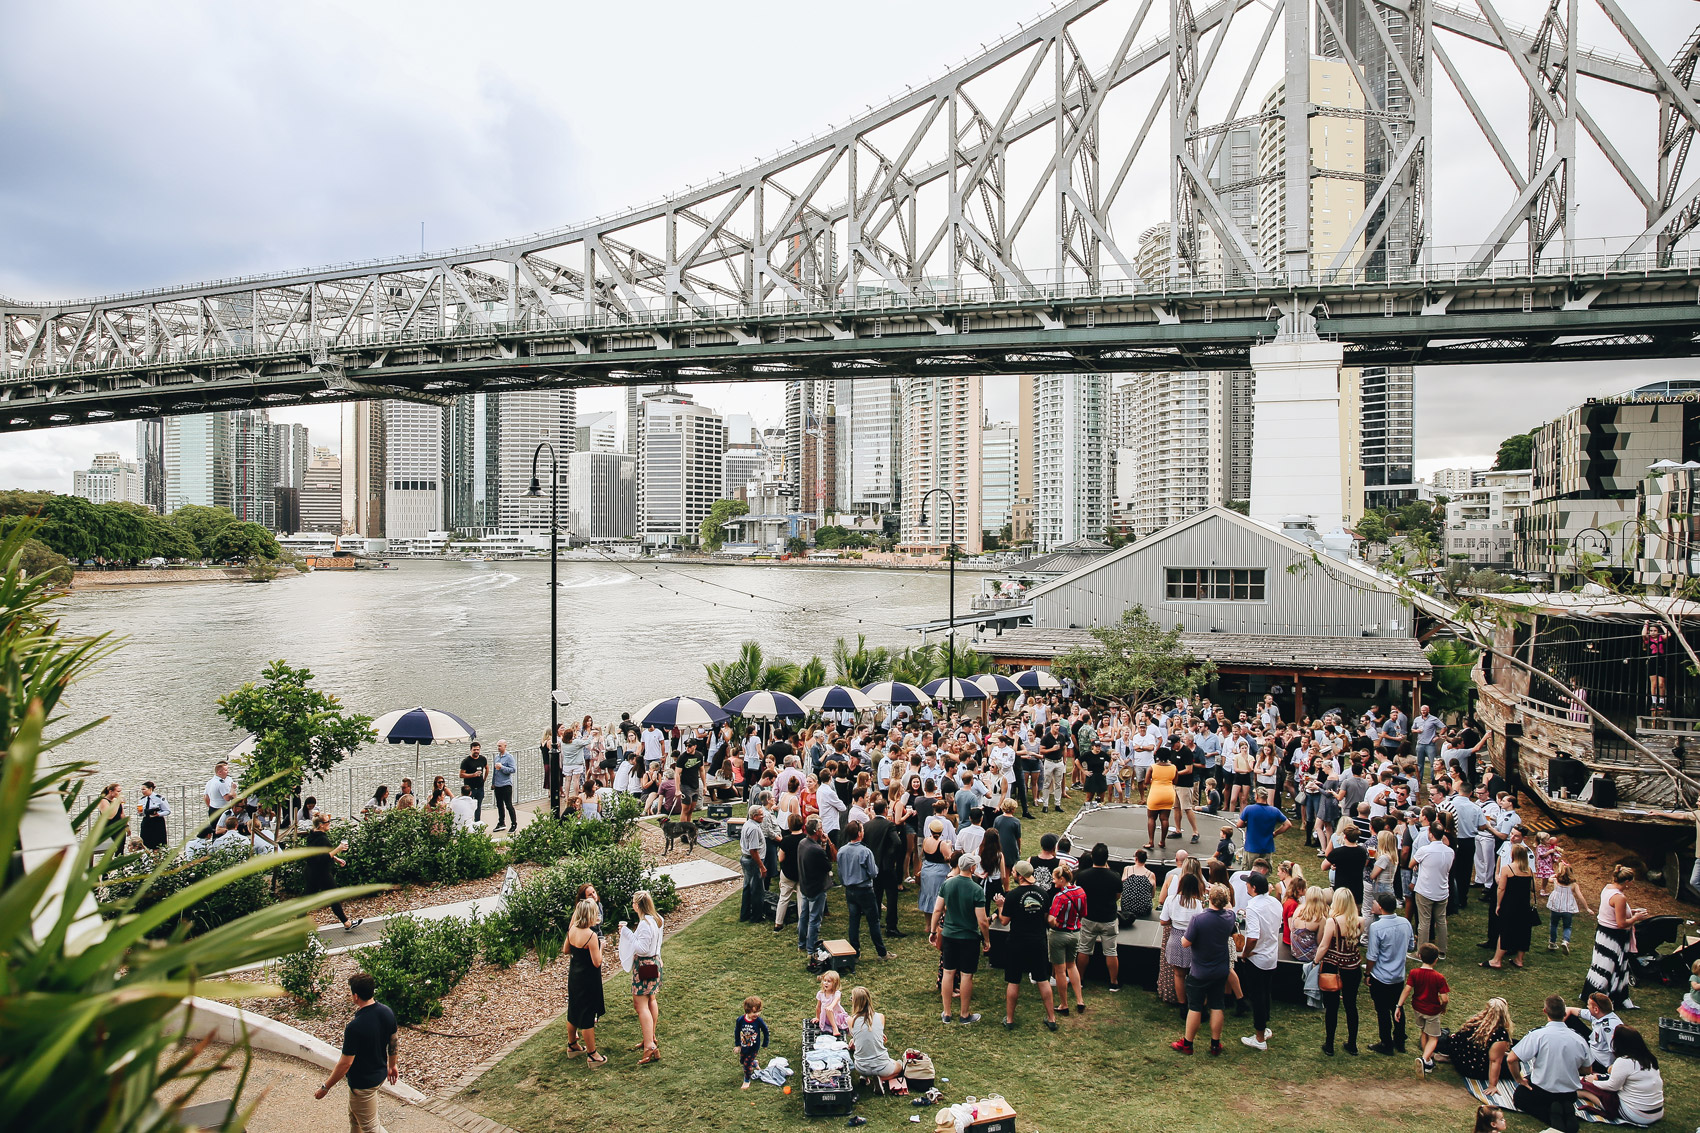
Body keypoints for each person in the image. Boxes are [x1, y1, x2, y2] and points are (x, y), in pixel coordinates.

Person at [313, 973, 397, 1133]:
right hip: (378, 1075)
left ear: (356, 996)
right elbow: (393, 1041)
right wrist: (393, 1065)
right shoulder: (387, 1012)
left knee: (371, 1127)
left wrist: (326, 1087)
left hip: (363, 1085)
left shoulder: (355, 1027)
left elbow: (345, 1064)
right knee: (355, 1118)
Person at [1507, 994, 1592, 1133]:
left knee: (1520, 1098)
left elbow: (1511, 1059)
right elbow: (1588, 1069)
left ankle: (1552, 1118)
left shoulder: (1538, 1035)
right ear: (1565, 1013)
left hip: (1543, 1091)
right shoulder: (1579, 1039)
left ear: (1545, 1011)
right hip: (1569, 1093)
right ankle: (1567, 1113)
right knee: (1560, 1099)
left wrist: (1518, 1079)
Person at [1171, 882, 1235, 1056]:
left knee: (1195, 1007)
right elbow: (1228, 907)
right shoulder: (1230, 917)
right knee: (1216, 1005)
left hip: (1200, 971)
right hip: (1220, 969)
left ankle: (1188, 1043)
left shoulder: (1199, 919)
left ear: (1209, 899)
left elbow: (1185, 943)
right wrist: (1221, 893)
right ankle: (1215, 1044)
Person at [995, 860, 1058, 1032]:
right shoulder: (1043, 894)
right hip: (1038, 941)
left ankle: (1009, 1019)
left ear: (1020, 876)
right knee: (1042, 979)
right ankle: (1051, 1018)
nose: (1012, 874)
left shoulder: (1013, 896)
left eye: (1014, 872)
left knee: (1014, 981)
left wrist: (1000, 906)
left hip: (1017, 942)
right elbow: (1046, 918)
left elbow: (1004, 920)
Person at [930, 851, 989, 1025]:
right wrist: (987, 940)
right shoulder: (976, 889)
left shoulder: (948, 884)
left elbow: (938, 909)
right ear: (972, 868)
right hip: (969, 937)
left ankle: (947, 1012)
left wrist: (933, 931)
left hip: (949, 935)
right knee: (966, 975)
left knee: (948, 972)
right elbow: (982, 921)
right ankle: (964, 1014)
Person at [1583, 864, 1648, 1010]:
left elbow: (1612, 912)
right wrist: (1636, 918)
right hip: (1614, 937)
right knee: (1612, 967)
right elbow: (1621, 923)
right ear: (1627, 882)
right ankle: (1608, 998)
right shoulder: (1620, 897)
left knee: (1600, 965)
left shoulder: (1608, 888)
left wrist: (1632, 912)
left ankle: (1592, 994)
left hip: (1602, 933)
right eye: (1631, 882)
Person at [1578, 1025, 1664, 1125]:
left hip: (1637, 1114)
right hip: (1657, 1112)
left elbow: (1612, 1087)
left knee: (1585, 1087)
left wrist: (1593, 1082)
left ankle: (1580, 1094)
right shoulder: (1649, 1059)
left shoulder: (1624, 1061)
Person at [1364, 891, 1413, 1056]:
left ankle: (1386, 1043)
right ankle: (1400, 1040)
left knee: (1383, 1010)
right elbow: (1411, 946)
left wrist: (1367, 973)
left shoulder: (1376, 927)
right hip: (1398, 976)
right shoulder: (1405, 923)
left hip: (1381, 976)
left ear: (1381, 907)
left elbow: (1372, 955)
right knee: (1398, 1007)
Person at [1315, 887, 1363, 1056]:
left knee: (1332, 1007)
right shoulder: (1360, 921)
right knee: (1351, 1005)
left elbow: (1324, 945)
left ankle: (1329, 1044)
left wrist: (1315, 961)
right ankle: (1353, 1044)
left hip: (1332, 967)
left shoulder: (1332, 922)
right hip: (1352, 966)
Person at [1238, 870, 1282, 1050]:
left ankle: (1259, 1037)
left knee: (1258, 996)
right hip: (1271, 955)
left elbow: (1253, 937)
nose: (1246, 886)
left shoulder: (1253, 908)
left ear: (1254, 888)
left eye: (1248, 884)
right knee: (1265, 992)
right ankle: (1264, 1028)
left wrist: (1246, 953)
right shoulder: (1275, 903)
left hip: (1258, 957)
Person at [619, 889, 664, 1064]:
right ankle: (650, 1038)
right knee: (651, 999)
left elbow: (642, 948)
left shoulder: (645, 923)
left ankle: (650, 1047)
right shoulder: (657, 918)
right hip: (654, 963)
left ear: (637, 905)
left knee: (640, 1005)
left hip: (645, 966)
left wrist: (626, 932)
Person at [563, 899, 608, 1065]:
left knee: (574, 1009)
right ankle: (593, 1055)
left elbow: (566, 949)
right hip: (588, 978)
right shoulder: (590, 935)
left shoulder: (573, 929)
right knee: (588, 1015)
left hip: (574, 975)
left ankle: (572, 1045)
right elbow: (597, 962)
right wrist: (601, 946)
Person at [836, 819, 887, 960]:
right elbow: (873, 873)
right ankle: (881, 952)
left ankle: (855, 952)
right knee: (873, 921)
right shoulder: (865, 851)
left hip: (850, 890)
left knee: (854, 921)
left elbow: (840, 872)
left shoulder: (842, 851)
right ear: (859, 833)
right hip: (864, 890)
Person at [305, 812, 363, 932]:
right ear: (321, 825)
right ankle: (346, 923)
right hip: (322, 873)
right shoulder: (322, 838)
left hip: (311, 871)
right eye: (327, 822)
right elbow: (323, 858)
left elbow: (318, 854)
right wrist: (338, 849)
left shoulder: (312, 835)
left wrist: (336, 859)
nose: (329, 824)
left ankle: (346, 923)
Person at [1076, 843, 1122, 991]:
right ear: (1107, 858)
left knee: (1084, 949)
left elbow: (1080, 896)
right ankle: (1113, 982)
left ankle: (1080, 979)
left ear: (1092, 857)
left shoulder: (1083, 876)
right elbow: (1117, 895)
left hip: (1089, 917)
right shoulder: (1115, 876)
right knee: (1111, 951)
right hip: (1108, 917)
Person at [1397, 942, 1449, 1073]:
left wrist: (1399, 1006)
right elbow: (1445, 998)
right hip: (1432, 1011)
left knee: (1424, 1032)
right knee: (1434, 1037)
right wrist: (1443, 1007)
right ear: (1436, 960)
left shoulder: (1414, 973)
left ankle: (1428, 1061)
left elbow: (1407, 990)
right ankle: (1424, 1059)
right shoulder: (1439, 977)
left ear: (1419, 956)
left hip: (1417, 1008)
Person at [1485, 843, 1535, 970]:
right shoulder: (1528, 870)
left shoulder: (1507, 869)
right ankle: (1519, 959)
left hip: (1510, 903)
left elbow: (1501, 888)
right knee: (1523, 931)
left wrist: (1498, 904)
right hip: (1524, 905)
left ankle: (1497, 960)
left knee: (1505, 930)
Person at [847, 986, 907, 1092]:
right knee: (899, 1067)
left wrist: (853, 1041)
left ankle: (865, 1077)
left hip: (861, 1067)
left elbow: (859, 1038)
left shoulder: (851, 1020)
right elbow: (877, 1034)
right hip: (882, 1067)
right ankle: (881, 1079)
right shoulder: (880, 1017)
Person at [1046, 865, 1088, 1016]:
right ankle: (1080, 1000)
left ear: (1062, 879)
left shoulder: (1060, 897)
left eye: (1055, 878)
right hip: (1075, 932)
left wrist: (1053, 924)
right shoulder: (1081, 891)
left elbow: (1051, 918)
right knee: (1072, 965)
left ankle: (1064, 1004)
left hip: (1059, 934)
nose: (1053, 881)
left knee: (1060, 970)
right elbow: (1083, 912)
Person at [1410, 821, 1454, 958]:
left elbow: (1412, 863)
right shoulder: (1450, 851)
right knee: (1441, 921)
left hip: (1425, 890)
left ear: (1430, 834)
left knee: (1424, 922)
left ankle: (1421, 952)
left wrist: (1418, 865)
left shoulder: (1425, 850)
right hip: (1442, 890)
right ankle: (1442, 950)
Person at [796, 818, 831, 955]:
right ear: (816, 831)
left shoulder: (802, 843)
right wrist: (824, 845)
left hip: (805, 886)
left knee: (803, 916)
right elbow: (828, 866)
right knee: (815, 920)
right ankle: (811, 949)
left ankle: (801, 944)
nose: (823, 830)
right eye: (821, 828)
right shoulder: (816, 850)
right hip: (816, 888)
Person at [1546, 860, 1592, 954]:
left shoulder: (1556, 880)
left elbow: (1549, 879)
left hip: (1556, 907)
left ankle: (1552, 942)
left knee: (1554, 924)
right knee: (1567, 926)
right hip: (1567, 909)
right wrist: (1587, 908)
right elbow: (1580, 896)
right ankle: (1565, 941)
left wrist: (1556, 875)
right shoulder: (1573, 885)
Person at [1237, 788, 1290, 856]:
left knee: (1250, 866)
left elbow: (1239, 824)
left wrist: (1247, 824)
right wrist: (1275, 833)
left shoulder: (1249, 809)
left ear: (1257, 796)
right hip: (1267, 848)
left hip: (1252, 848)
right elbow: (1288, 824)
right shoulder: (1274, 811)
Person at [734, 995, 769, 1089]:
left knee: (746, 1065)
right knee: (742, 1061)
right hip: (744, 1046)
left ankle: (747, 1080)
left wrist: (765, 1043)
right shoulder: (740, 1020)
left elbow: (765, 1031)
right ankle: (754, 1063)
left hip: (753, 1047)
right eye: (754, 1012)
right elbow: (737, 1032)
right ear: (747, 1011)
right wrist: (737, 1045)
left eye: (759, 1011)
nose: (757, 1014)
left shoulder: (758, 1021)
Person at [1144, 750, 1175, 847]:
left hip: (1156, 794)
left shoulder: (1153, 767)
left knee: (1151, 817)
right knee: (1165, 819)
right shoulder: (1173, 767)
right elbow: (1175, 780)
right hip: (1169, 794)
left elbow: (1146, 781)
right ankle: (1162, 841)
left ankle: (1151, 842)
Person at [490, 740, 518, 831]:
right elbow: (494, 772)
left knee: (508, 805)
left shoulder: (509, 757)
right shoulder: (497, 757)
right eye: (497, 746)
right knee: (499, 804)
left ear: (505, 746)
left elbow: (513, 770)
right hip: (498, 785)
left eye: (500, 746)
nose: (498, 748)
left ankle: (514, 823)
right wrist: (493, 783)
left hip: (506, 784)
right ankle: (501, 822)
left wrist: (502, 767)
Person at [136, 781, 171, 851]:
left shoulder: (159, 798)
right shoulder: (142, 800)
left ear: (150, 789)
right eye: (141, 790)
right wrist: (140, 813)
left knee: (157, 844)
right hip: (146, 821)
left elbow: (167, 811)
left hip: (157, 822)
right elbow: (140, 813)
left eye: (144, 789)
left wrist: (158, 814)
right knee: (145, 842)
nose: (142, 791)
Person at [459, 741, 488, 822]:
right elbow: (461, 775)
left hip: (480, 787)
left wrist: (484, 779)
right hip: (470, 788)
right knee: (468, 806)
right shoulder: (466, 761)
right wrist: (473, 775)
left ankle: (477, 823)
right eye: (474, 750)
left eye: (478, 750)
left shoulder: (483, 759)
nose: (476, 751)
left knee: (478, 806)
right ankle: (468, 823)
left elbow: (487, 768)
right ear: (471, 750)